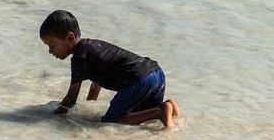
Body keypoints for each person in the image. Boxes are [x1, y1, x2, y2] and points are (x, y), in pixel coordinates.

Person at [39, 9, 178, 129]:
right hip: (156, 73)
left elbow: (70, 99)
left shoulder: (79, 58)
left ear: (69, 37)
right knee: (142, 114)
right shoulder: (93, 47)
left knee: (112, 121)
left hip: (137, 79)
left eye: (52, 45)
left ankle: (161, 110)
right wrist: (89, 106)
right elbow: (97, 83)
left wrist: (50, 117)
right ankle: (169, 106)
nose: (50, 51)